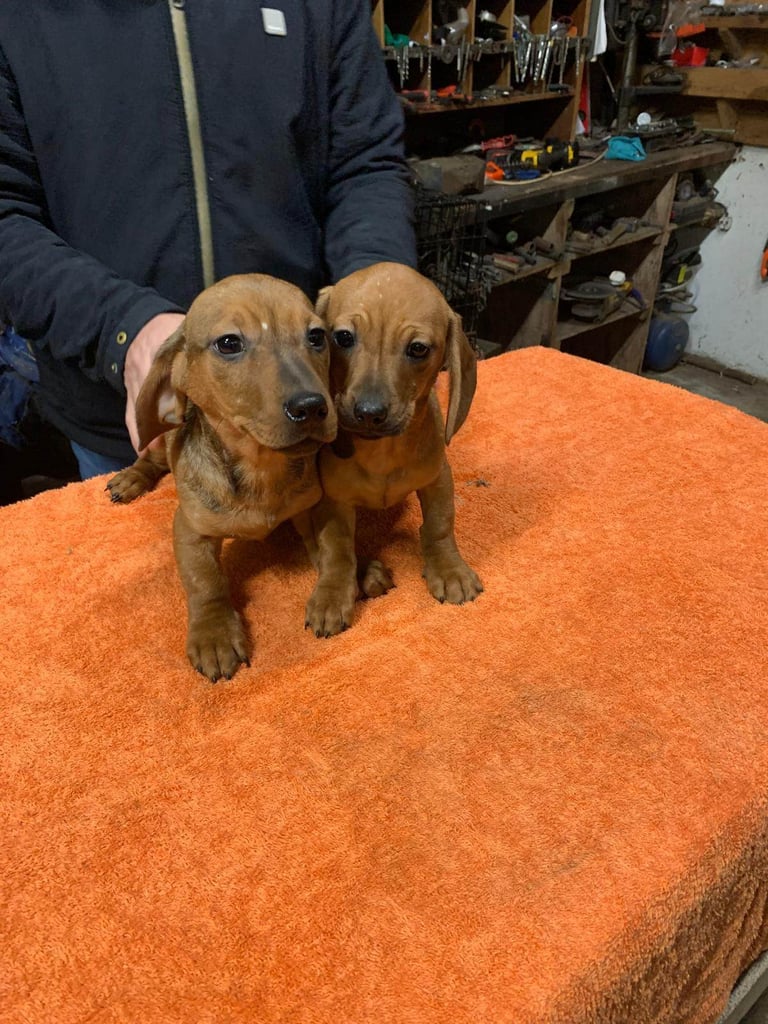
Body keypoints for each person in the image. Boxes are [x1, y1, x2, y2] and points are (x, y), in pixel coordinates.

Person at [0, 2, 417, 479]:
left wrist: (375, 313)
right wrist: (124, 329)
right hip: (133, 420)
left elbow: (365, 166)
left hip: (312, 396)